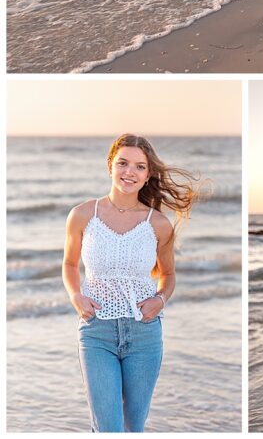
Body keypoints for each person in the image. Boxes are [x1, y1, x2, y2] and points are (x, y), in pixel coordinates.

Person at [62, 134, 205, 432]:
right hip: (96, 331)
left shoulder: (158, 224)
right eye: (123, 163)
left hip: (144, 334)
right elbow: (70, 264)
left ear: (148, 174)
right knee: (109, 428)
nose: (129, 172)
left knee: (133, 428)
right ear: (110, 166)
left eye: (139, 167)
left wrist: (160, 300)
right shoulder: (83, 215)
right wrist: (76, 295)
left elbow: (168, 275)